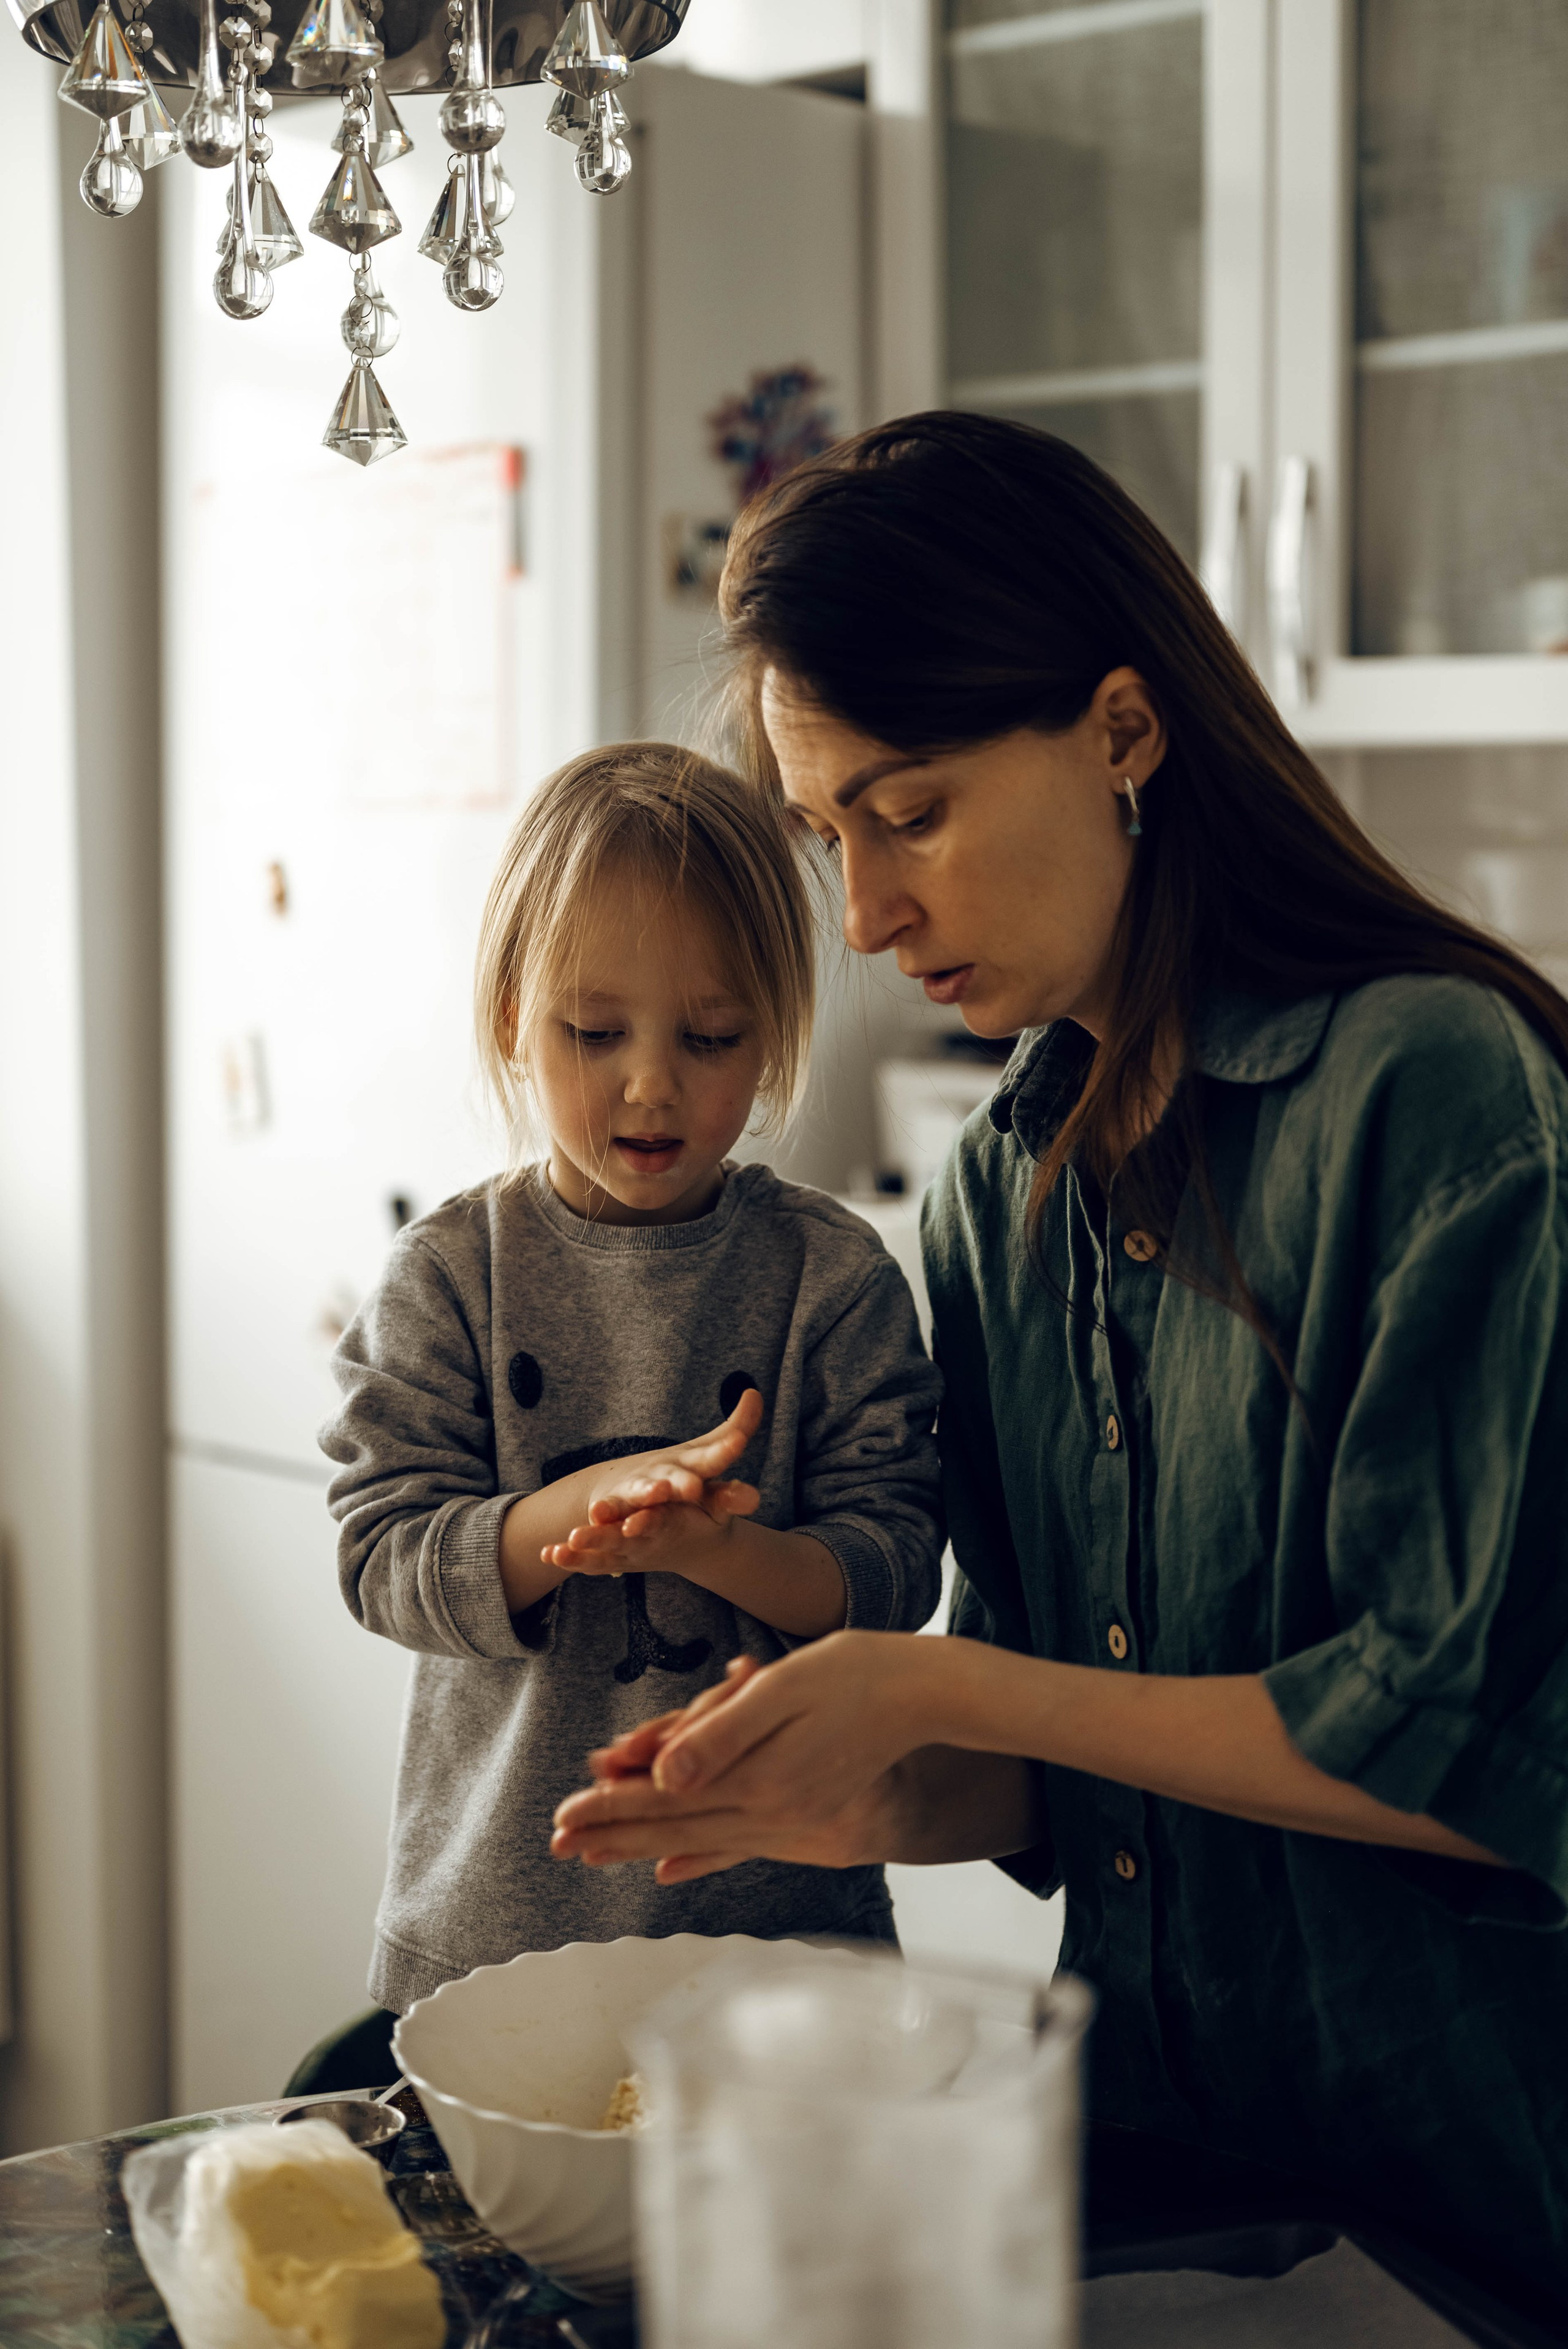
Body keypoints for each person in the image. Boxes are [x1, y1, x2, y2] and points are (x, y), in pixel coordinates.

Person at [550, 415, 1568, 2322]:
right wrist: (855, 1794)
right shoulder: (999, 1192)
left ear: (1121, 729)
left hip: (1466, 2237)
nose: (863, 916)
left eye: (909, 810)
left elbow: (1468, 1744)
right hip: (1159, 2188)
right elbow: (1054, 1773)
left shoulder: (1430, 1095)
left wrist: (939, 1679)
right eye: (824, 833)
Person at [315, 742, 943, 2050]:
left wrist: (722, 1550)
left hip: (781, 1954)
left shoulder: (827, 1281)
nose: (649, 1083)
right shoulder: (451, 1277)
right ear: (508, 1019)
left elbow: (890, 1576)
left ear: (770, 1033)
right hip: (495, 1945)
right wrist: (577, 1511)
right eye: (593, 1034)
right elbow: (383, 1558)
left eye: (708, 1038)